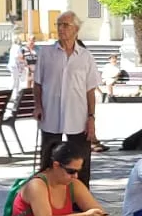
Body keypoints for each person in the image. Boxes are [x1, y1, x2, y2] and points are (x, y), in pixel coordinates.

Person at [35, 11, 99, 181]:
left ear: (76, 29)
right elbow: (37, 83)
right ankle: (46, 195)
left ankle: (81, 199)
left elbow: (90, 90)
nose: (61, 29)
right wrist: (38, 106)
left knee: (81, 161)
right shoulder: (46, 53)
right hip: (51, 114)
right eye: (58, 25)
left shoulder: (86, 57)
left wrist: (91, 117)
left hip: (78, 116)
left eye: (65, 25)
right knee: (48, 160)